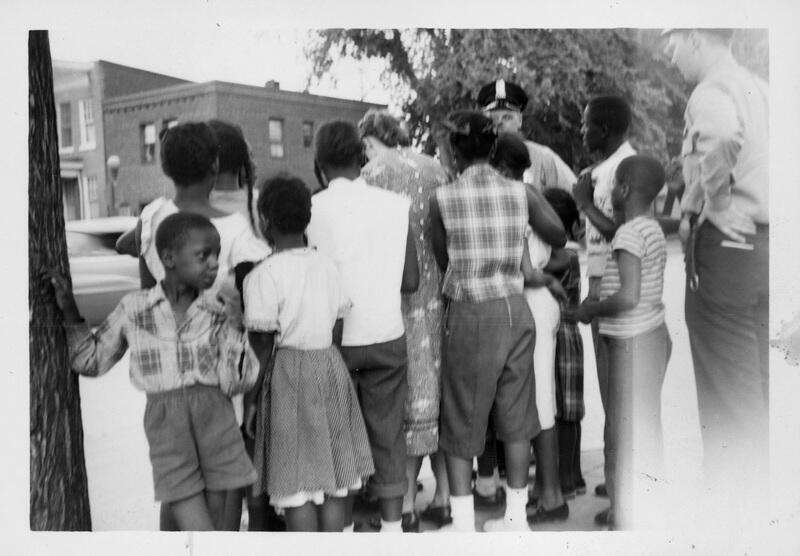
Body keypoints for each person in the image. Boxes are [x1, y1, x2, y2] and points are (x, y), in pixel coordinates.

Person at [46, 212, 259, 531]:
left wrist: (234, 327)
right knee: (200, 533)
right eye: (204, 255)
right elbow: (90, 361)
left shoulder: (217, 311)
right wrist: (69, 311)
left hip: (218, 423)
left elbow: (235, 382)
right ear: (169, 259)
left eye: (216, 254)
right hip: (167, 428)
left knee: (219, 531)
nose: (215, 263)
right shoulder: (134, 308)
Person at [122, 121, 271, 530]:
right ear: (216, 165)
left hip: (167, 377)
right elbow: (257, 312)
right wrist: (254, 390)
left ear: (166, 168)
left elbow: (147, 288)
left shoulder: (152, 215)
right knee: (221, 487)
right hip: (216, 372)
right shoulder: (237, 229)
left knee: (178, 486)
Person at [429, 111, 566, 532]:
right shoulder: (519, 193)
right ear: (492, 148)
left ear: (453, 151)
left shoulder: (443, 198)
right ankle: (516, 519)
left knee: (461, 418)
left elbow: (442, 259)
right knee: (517, 415)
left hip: (472, 310)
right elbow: (558, 232)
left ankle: (464, 523)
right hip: (515, 307)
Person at [662, 28, 769, 517]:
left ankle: (734, 513)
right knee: (761, 385)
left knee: (729, 389)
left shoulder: (711, 90)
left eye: (673, 40)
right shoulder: (759, 87)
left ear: (695, 36)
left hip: (726, 248)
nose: (669, 53)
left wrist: (709, 204)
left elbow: (722, 137)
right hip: (764, 246)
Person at [242, 174, 374, 532]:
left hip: (287, 374)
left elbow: (262, 344)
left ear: (264, 221)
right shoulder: (327, 266)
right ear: (307, 218)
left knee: (297, 482)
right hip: (329, 366)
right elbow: (337, 325)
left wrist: (251, 401)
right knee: (332, 477)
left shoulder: (263, 276)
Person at [306, 120, 420, 533]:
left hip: (334, 342)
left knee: (340, 441)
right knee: (389, 436)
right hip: (386, 334)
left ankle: (348, 531)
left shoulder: (312, 210)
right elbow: (411, 281)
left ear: (319, 165)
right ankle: (392, 531)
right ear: (362, 157)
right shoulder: (395, 204)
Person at [358, 109, 452, 531]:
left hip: (397, 295)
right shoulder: (436, 167)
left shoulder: (372, 172)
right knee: (438, 396)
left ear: (370, 140)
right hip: (439, 291)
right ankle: (447, 495)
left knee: (408, 401)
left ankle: (408, 500)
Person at [573, 155, 671, 530]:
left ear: (625, 189)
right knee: (644, 428)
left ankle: (625, 516)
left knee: (621, 432)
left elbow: (628, 296)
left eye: (613, 185)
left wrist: (592, 308)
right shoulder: (649, 229)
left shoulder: (628, 235)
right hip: (650, 337)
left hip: (629, 344)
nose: (610, 192)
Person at [489, 133, 569, 524]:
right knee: (533, 398)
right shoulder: (523, 195)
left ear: (501, 168)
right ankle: (544, 489)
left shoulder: (521, 195)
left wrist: (539, 273)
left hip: (533, 301)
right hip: (529, 297)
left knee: (541, 402)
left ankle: (552, 495)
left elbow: (560, 237)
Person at [571, 95, 636, 521]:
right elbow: (596, 234)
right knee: (612, 394)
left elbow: (625, 232)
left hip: (615, 289)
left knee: (619, 397)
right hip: (601, 281)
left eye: (587, 125)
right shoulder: (604, 170)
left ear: (606, 130)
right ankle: (616, 481)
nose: (581, 131)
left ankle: (624, 502)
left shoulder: (624, 170)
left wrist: (583, 203)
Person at [542, 188, 587, 502]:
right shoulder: (569, 250)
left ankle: (566, 478)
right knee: (570, 410)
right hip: (570, 335)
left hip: (560, 334)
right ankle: (575, 474)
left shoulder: (560, 254)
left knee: (561, 412)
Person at [478, 78, 576, 192]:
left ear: (520, 120)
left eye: (507, 117)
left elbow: (574, 196)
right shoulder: (474, 159)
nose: (499, 124)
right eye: (492, 119)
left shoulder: (544, 158)